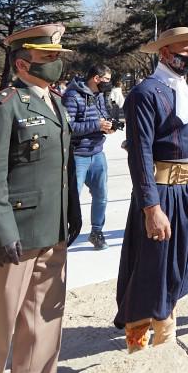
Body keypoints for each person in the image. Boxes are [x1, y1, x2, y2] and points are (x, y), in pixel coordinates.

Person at [0, 24, 81, 373]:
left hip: (51, 229)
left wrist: (72, 216)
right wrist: (2, 232)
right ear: (21, 64)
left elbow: (63, 167)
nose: (55, 63)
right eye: (47, 56)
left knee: (44, 322)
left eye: (57, 57)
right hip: (13, 236)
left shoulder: (55, 102)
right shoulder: (2, 107)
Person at [115, 26, 188, 351]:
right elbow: (140, 155)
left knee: (179, 267)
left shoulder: (186, 91)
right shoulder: (146, 93)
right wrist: (151, 208)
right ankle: (141, 344)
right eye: (183, 51)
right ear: (164, 53)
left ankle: (167, 327)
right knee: (151, 271)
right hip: (162, 195)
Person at [63, 64, 117, 250]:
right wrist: (97, 125)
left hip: (97, 152)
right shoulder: (72, 96)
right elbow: (68, 127)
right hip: (78, 156)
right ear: (96, 78)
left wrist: (108, 127)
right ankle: (64, 233)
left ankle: (96, 232)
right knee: (72, 198)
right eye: (107, 80)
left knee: (101, 195)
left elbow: (102, 117)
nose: (109, 84)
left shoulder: (100, 96)